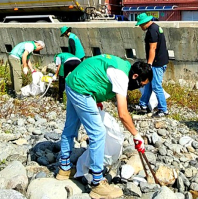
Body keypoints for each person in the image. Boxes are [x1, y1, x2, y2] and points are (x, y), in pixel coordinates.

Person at [56, 54, 153, 199]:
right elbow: (123, 113)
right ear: (135, 77)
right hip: (81, 89)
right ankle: (97, 182)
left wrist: (96, 97)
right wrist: (136, 134)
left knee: (71, 127)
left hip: (73, 82)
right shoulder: (121, 76)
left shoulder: (125, 67)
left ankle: (64, 169)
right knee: (98, 133)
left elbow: (98, 73)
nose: (140, 88)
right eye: (142, 84)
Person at [135, 13, 169, 118]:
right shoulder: (156, 27)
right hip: (161, 60)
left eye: (141, 25)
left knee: (156, 86)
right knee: (148, 84)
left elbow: (152, 48)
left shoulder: (152, 31)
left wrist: (149, 64)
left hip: (156, 63)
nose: (140, 27)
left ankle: (163, 109)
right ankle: (143, 105)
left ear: (145, 23)